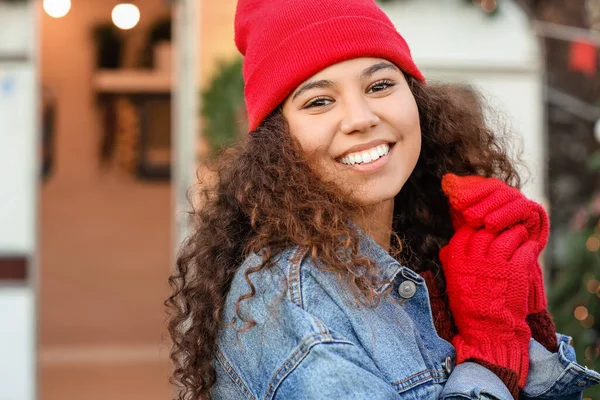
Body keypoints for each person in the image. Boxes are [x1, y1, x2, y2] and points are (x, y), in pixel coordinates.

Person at [166, 0, 600, 399]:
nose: (361, 118)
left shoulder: (423, 247)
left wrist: (524, 316)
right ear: (277, 143)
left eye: (379, 85)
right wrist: (490, 353)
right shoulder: (292, 308)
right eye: (319, 100)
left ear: (417, 100)